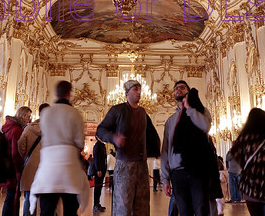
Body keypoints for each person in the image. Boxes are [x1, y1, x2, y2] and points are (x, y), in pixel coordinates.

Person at [96, 79, 161, 216]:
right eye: (135, 89)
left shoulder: (143, 113)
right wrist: (114, 137)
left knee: (142, 207)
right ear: (127, 93)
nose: (139, 92)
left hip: (142, 167)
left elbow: (151, 134)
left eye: (140, 89)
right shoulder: (117, 110)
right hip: (124, 165)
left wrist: (157, 152)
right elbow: (100, 130)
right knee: (123, 207)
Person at [30, 81, 90, 216]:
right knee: (70, 210)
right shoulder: (75, 114)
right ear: (69, 94)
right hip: (69, 168)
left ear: (56, 93)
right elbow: (80, 143)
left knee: (46, 210)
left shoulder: (45, 113)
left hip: (48, 169)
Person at [160, 81, 213, 216]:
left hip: (198, 171)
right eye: (176, 88)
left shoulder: (201, 111)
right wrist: (165, 178)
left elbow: (205, 126)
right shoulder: (170, 121)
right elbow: (166, 150)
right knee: (184, 212)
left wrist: (189, 108)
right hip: (178, 173)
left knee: (201, 210)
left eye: (182, 87)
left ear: (188, 92)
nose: (178, 89)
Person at [2, 105, 32, 216]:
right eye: (28, 117)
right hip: (14, 169)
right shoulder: (17, 130)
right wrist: (19, 171)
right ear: (22, 116)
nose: (29, 119)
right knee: (13, 198)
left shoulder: (9, 127)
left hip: (8, 166)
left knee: (10, 197)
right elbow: (15, 153)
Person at [20, 103, 49, 216]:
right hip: (46, 168)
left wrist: (26, 155)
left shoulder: (29, 128)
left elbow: (21, 144)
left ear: (39, 113)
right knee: (46, 199)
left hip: (31, 165)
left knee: (29, 197)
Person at [91, 136, 109, 211]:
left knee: (100, 187)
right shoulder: (97, 145)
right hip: (99, 170)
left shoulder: (102, 145)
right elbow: (96, 159)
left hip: (102, 169)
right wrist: (98, 169)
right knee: (97, 187)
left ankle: (97, 203)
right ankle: (95, 205)